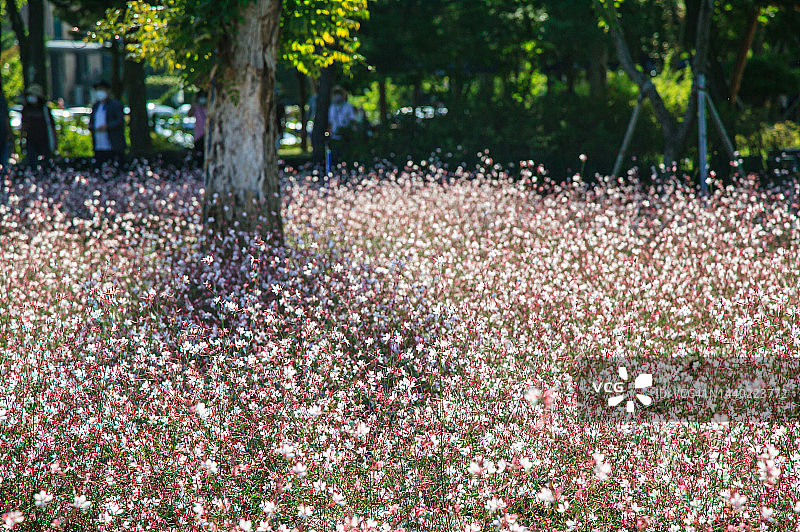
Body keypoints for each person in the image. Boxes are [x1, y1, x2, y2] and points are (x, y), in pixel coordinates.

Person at [88, 80, 126, 168]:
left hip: (113, 144)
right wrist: (92, 127)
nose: (99, 93)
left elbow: (120, 121)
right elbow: (92, 121)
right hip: (99, 144)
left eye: (102, 89)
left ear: (108, 91)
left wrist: (107, 127)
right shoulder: (95, 106)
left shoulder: (115, 105)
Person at [20, 83, 56, 166]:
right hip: (31, 140)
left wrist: (54, 143)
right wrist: (22, 139)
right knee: (32, 162)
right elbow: (23, 125)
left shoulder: (45, 110)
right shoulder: (26, 109)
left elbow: (51, 126)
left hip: (44, 140)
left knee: (45, 163)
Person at [328, 86, 356, 161]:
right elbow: (330, 121)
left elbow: (352, 119)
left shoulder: (348, 106)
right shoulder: (332, 107)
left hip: (345, 134)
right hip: (335, 134)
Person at [188, 90, 208, 165]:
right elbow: (189, 114)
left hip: (207, 136)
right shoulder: (197, 108)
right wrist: (194, 102)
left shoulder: (210, 108)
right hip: (199, 137)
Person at [0, 89, 11, 172]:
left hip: (3, 132)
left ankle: (4, 172)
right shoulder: (2, 100)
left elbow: (7, 118)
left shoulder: (2, 100)